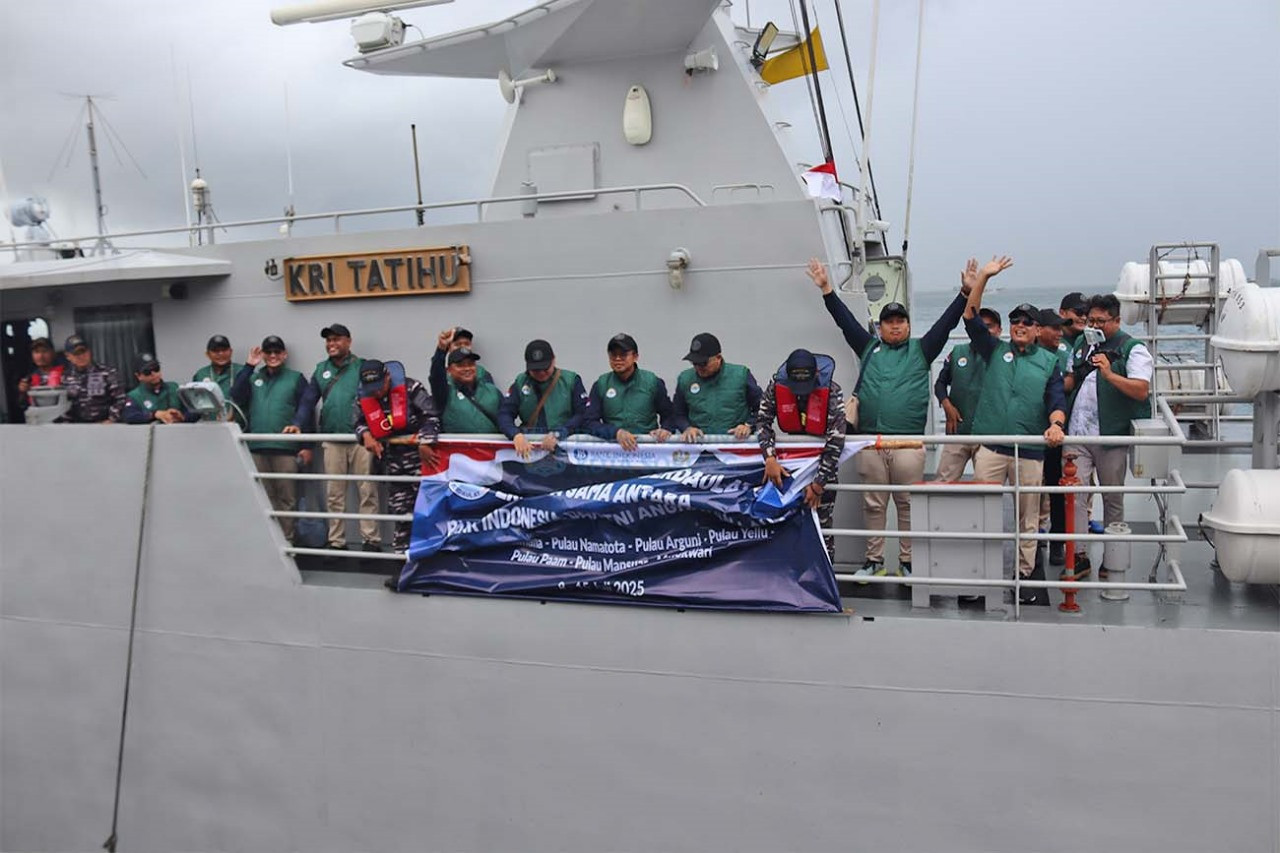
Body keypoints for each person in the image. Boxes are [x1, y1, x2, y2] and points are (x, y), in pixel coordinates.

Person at [808, 256, 1002, 578]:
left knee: (908, 504)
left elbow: (946, 324)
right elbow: (846, 322)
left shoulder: (922, 350)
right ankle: (874, 561)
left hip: (908, 444)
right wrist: (827, 289)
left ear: (909, 326)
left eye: (900, 321)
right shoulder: (868, 348)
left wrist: (965, 294)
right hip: (870, 442)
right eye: (889, 321)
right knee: (873, 505)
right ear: (880, 326)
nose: (895, 325)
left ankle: (908, 562)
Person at [962, 291, 1067, 605]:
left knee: (1028, 519)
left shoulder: (1049, 362)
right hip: (992, 448)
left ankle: (1023, 577)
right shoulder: (994, 350)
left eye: (1027, 322)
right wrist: (983, 279)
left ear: (1038, 330)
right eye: (1015, 320)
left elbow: (1057, 400)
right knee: (981, 515)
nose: (1020, 325)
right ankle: (978, 577)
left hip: (1029, 451)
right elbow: (970, 317)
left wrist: (1056, 425)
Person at [1062, 293, 1152, 579]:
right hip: (1077, 433)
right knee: (1075, 495)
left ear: (1117, 320)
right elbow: (1070, 377)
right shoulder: (1081, 343)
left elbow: (1141, 390)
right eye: (1091, 320)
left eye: (1101, 321)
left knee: (1112, 497)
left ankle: (1112, 557)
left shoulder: (1133, 349)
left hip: (1111, 436)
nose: (1095, 326)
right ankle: (1078, 556)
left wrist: (1110, 375)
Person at [289, 323, 380, 558]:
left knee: (367, 491)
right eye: (329, 340)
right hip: (332, 439)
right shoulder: (321, 370)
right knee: (334, 494)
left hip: (361, 439)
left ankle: (371, 540)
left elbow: (377, 397)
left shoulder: (362, 367)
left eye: (337, 339)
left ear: (348, 341)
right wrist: (297, 423)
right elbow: (307, 401)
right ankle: (336, 542)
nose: (332, 344)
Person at [758, 349, 846, 560]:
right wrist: (769, 457)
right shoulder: (776, 386)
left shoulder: (832, 391)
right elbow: (762, 421)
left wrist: (818, 484)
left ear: (816, 374)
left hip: (821, 468)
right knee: (786, 526)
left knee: (821, 528)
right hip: (787, 469)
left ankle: (825, 572)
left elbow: (836, 439)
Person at [353, 359, 439, 555]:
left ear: (388, 377)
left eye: (379, 386)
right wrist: (365, 435)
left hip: (421, 461)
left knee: (428, 510)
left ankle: (430, 557)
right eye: (371, 389)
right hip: (392, 463)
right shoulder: (364, 395)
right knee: (401, 513)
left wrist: (426, 441)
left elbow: (431, 416)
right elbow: (357, 421)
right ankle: (401, 558)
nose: (376, 392)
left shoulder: (411, 388)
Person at [231, 336, 312, 541]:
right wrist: (249, 366)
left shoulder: (295, 378)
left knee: (287, 499)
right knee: (263, 499)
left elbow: (307, 411)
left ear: (284, 355)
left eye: (277, 352)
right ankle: (269, 543)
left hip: (286, 448)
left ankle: (287, 541)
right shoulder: (253, 378)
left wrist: (306, 445)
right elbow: (236, 396)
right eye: (269, 352)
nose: (273, 356)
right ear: (263, 355)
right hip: (257, 448)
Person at [934, 307, 1002, 482]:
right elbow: (940, 384)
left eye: (990, 326)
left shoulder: (1004, 355)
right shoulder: (957, 352)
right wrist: (947, 406)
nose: (985, 330)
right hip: (959, 429)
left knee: (987, 485)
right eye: (981, 325)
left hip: (988, 434)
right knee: (943, 482)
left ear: (999, 330)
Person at [497, 339, 591, 459]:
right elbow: (505, 413)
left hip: (564, 448)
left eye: (545, 368)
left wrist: (559, 433)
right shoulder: (520, 383)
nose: (541, 373)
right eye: (535, 370)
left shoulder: (571, 380)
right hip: (530, 450)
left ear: (553, 360)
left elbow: (583, 414)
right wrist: (515, 434)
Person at [586, 333, 675, 450]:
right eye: (613, 355)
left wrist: (665, 429)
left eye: (623, 355)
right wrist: (615, 432)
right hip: (612, 451)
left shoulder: (652, 382)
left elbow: (670, 415)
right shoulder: (601, 384)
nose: (618, 359)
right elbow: (589, 422)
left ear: (635, 357)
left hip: (648, 450)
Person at [669, 332, 761, 441]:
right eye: (694, 363)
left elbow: (762, 406)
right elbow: (678, 413)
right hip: (698, 445)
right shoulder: (685, 379)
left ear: (718, 358)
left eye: (703, 363)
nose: (698, 367)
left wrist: (748, 425)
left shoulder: (741, 375)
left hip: (735, 444)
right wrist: (686, 428)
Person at [1037, 309, 1072, 564]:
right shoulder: (1022, 354)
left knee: (1056, 487)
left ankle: (1058, 541)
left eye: (1061, 328)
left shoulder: (1064, 354)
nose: (1060, 333)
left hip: (1054, 432)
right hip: (1029, 430)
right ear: (1039, 329)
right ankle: (1032, 538)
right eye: (1055, 328)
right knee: (1029, 489)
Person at [430, 345, 503, 433]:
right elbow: (436, 376)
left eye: (471, 364)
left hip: (493, 441)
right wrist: (441, 350)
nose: (467, 368)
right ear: (449, 370)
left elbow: (507, 418)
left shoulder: (492, 391)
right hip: (457, 442)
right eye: (460, 365)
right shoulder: (445, 392)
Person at [59, 334, 126, 424]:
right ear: (68, 356)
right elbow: (63, 405)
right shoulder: (65, 378)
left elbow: (120, 399)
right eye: (76, 354)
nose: (81, 356)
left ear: (89, 351)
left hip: (104, 424)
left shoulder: (107, 373)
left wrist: (112, 418)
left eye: (83, 352)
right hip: (77, 426)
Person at [123, 353, 190, 424]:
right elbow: (130, 416)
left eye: (156, 369)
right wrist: (154, 415)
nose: (153, 374)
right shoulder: (134, 396)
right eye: (147, 372)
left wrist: (182, 416)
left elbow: (194, 410)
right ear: (138, 376)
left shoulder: (174, 388)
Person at [192, 335, 244, 422]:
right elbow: (196, 404)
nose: (221, 354)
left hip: (238, 426)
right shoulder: (201, 374)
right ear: (207, 354)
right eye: (215, 351)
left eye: (224, 350)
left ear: (231, 351)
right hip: (210, 426)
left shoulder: (242, 371)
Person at [17, 337, 64, 418]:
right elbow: (22, 405)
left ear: (53, 353)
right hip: (39, 419)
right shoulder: (29, 378)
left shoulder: (65, 373)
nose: (40, 356)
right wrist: (22, 392)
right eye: (36, 352)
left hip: (62, 419)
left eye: (44, 351)